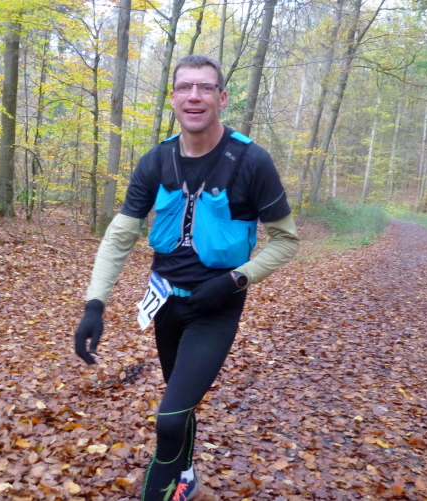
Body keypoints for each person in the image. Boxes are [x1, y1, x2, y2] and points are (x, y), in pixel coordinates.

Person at [74, 54, 299, 501]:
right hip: (166, 304)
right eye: (185, 87)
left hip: (216, 307)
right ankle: (186, 474)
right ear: (173, 97)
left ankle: (161, 487)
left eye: (205, 87)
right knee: (180, 401)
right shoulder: (156, 161)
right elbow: (120, 237)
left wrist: (235, 280)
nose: (194, 96)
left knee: (169, 418)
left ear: (221, 98)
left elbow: (286, 240)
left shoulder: (251, 161)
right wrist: (94, 304)